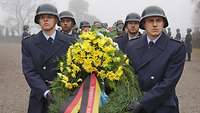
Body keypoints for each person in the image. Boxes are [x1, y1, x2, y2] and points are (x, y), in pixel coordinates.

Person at [126, 6, 186, 113]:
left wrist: (143, 102)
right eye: (150, 21)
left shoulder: (176, 47)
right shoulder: (132, 46)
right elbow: (128, 75)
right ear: (144, 24)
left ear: (163, 24)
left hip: (163, 105)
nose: (155, 24)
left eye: (158, 20)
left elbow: (168, 83)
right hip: (136, 103)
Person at [21, 4, 75, 113]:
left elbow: (74, 68)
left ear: (56, 20)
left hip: (64, 95)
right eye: (42, 17)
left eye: (49, 17)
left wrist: (63, 88)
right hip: (39, 95)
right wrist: (46, 92)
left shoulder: (70, 41)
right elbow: (29, 71)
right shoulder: (29, 43)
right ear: (38, 21)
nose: (45, 20)